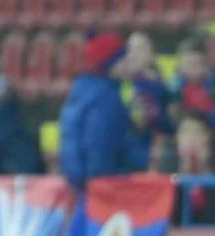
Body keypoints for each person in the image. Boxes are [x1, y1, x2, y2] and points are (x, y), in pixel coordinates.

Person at [58, 32, 149, 191]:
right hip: (102, 190)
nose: (129, 63)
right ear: (112, 64)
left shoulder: (81, 91)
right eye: (125, 59)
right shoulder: (105, 98)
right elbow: (99, 147)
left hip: (78, 184)